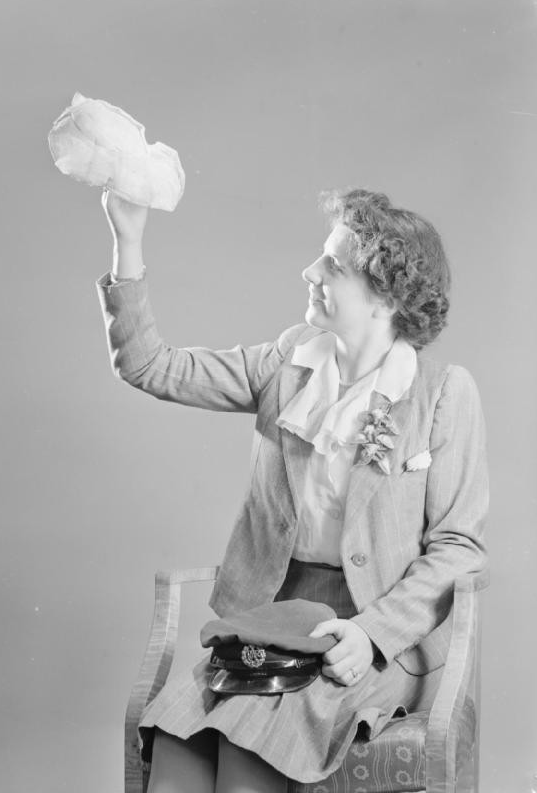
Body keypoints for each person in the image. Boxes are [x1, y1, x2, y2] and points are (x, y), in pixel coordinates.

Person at [96, 188, 489, 793]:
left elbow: (459, 545)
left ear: (385, 294)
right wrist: (128, 240)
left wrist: (371, 634)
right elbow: (150, 366)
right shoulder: (287, 362)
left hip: (378, 632)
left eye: (332, 265)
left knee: (247, 742)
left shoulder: (442, 393)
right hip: (274, 615)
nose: (310, 272)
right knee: (180, 738)